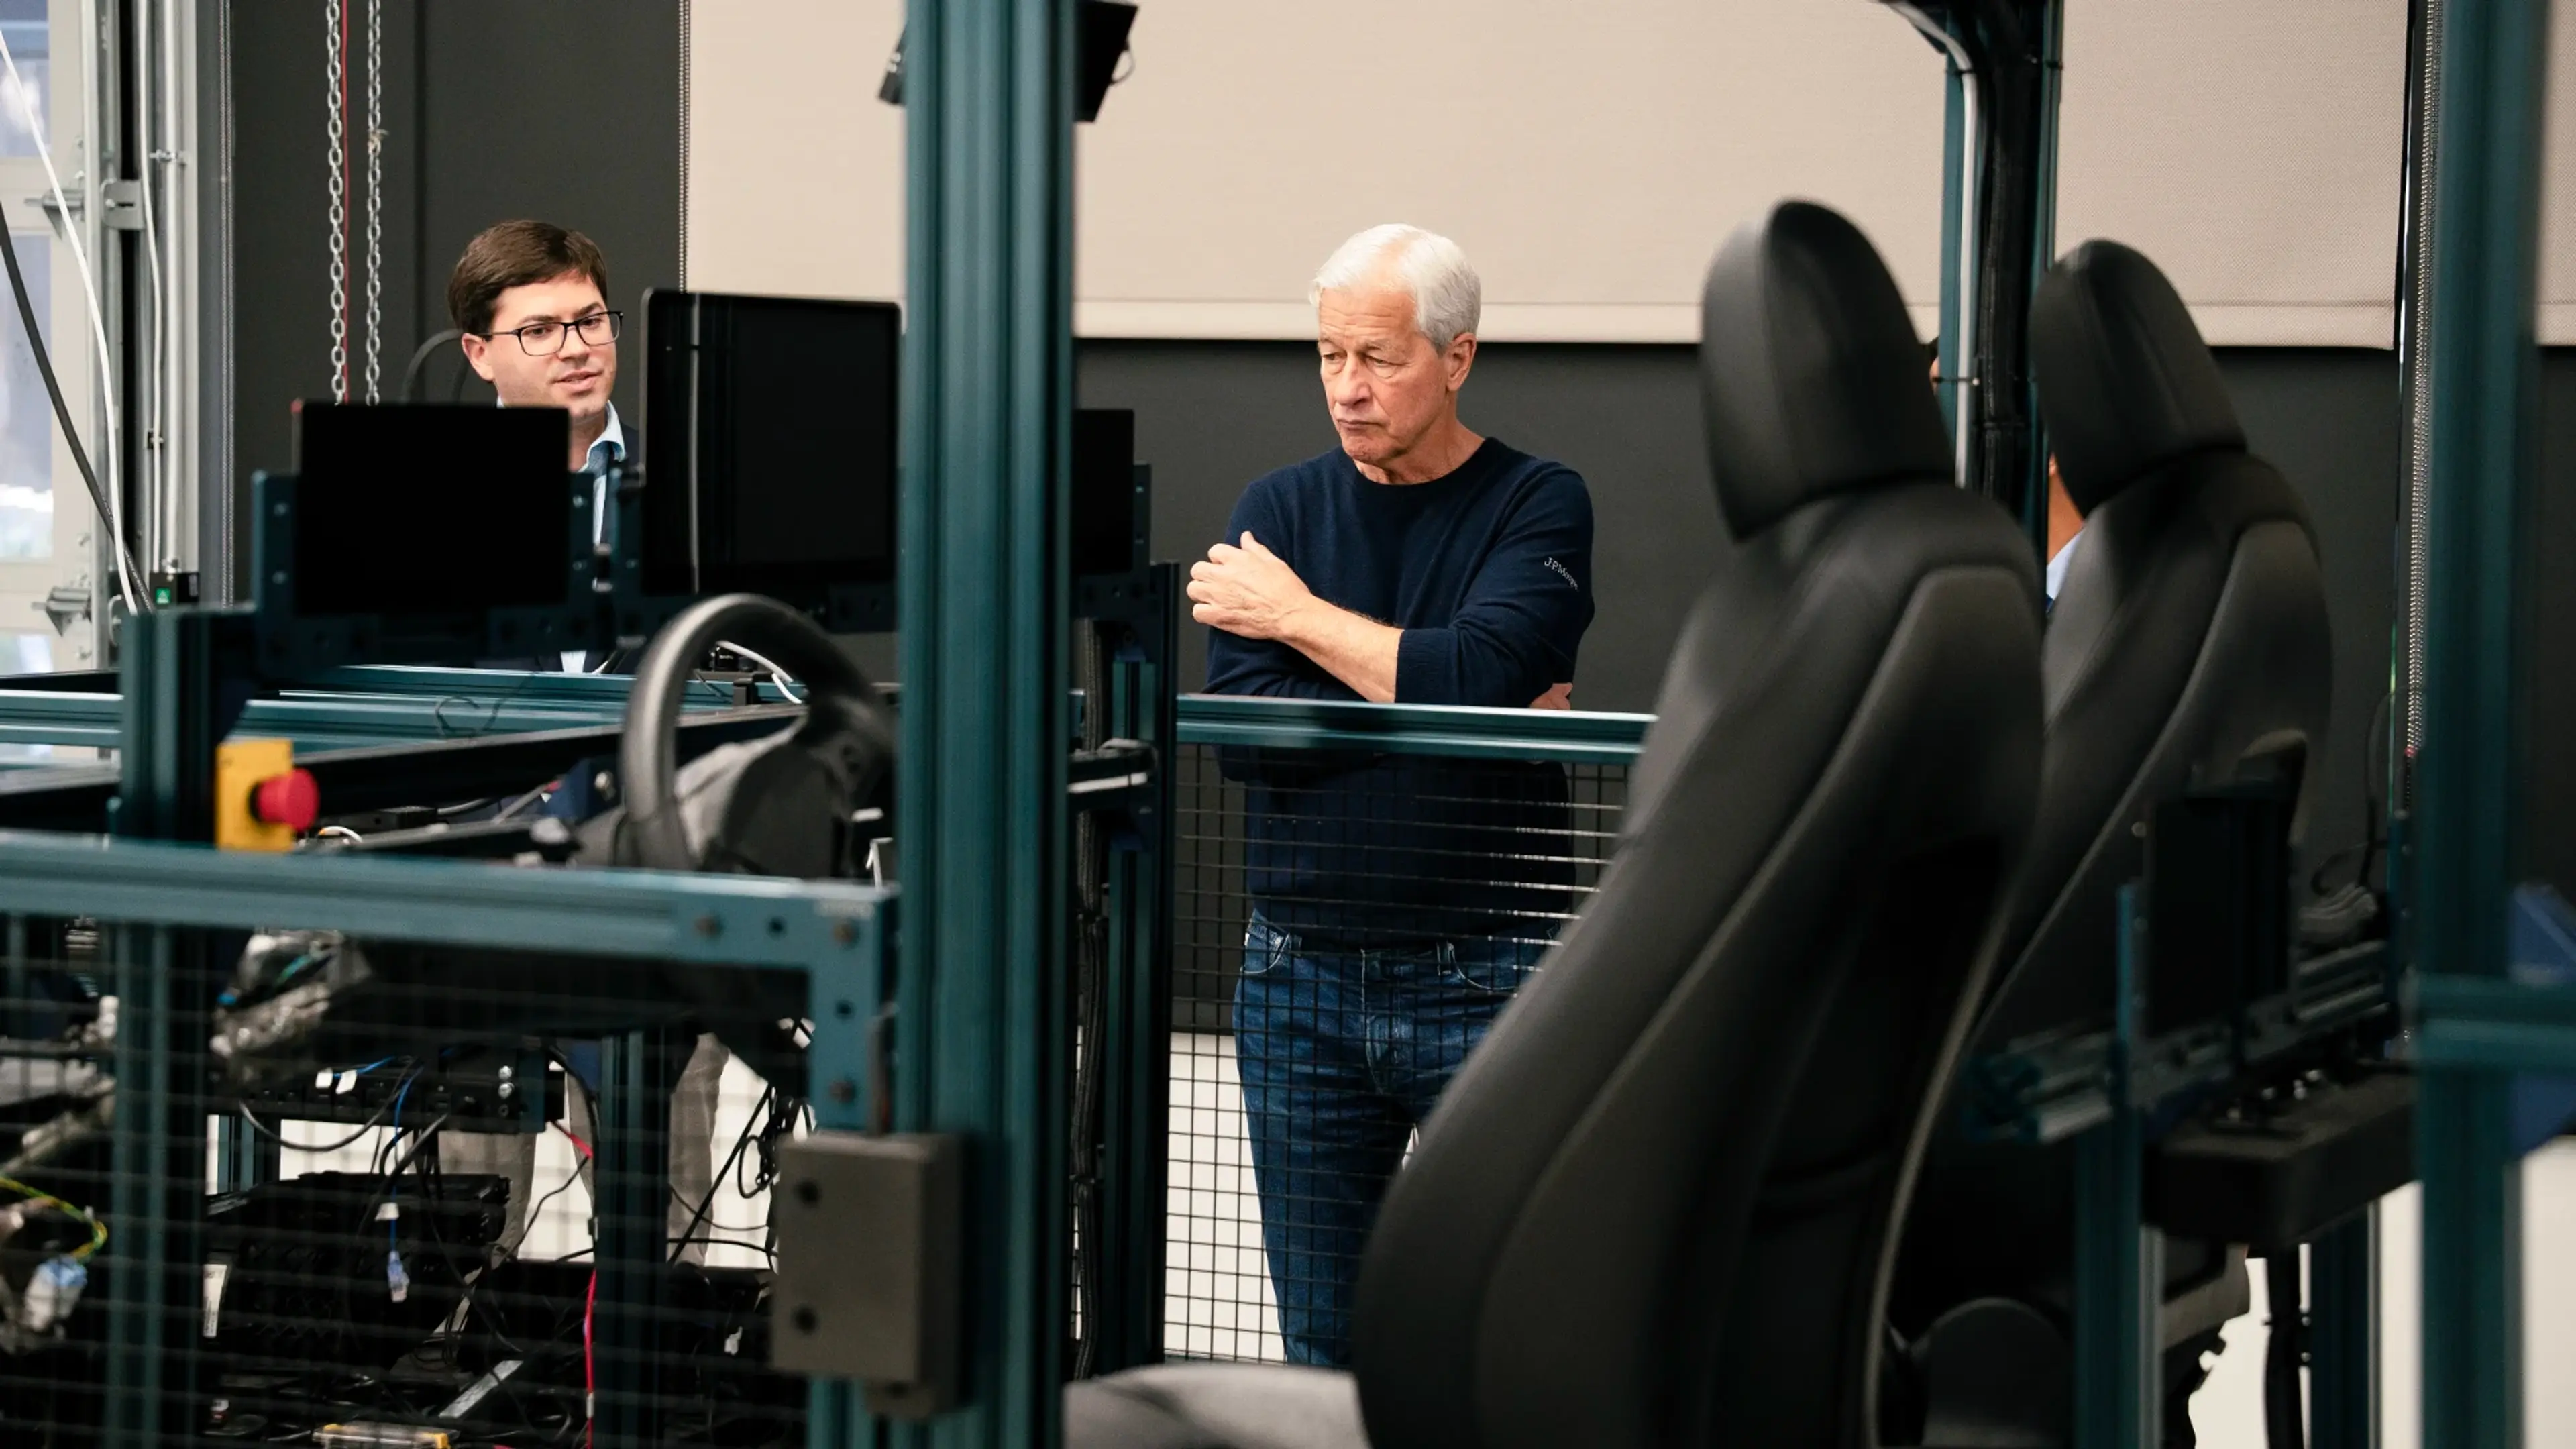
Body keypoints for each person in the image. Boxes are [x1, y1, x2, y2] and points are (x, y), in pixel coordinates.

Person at [1191, 223, 1594, 1365]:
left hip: (1491, 970)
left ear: (1457, 358)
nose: (1348, 390)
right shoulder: (1279, 505)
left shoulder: (1538, 502)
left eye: (1378, 358)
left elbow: (1480, 678)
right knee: (1326, 1337)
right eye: (1329, 357)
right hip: (1297, 977)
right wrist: (1449, 703)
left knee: (1510, 1320)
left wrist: (1298, 622)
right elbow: (1254, 743)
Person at [438, 219, 729, 1263]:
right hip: (476, 882)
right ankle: (450, 1367)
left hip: (652, 880)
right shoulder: (422, 497)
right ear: (479, 353)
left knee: (664, 1191)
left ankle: (658, 1382)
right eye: (543, 328)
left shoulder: (693, 486)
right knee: (463, 1180)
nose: (578, 346)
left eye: (592, 319)